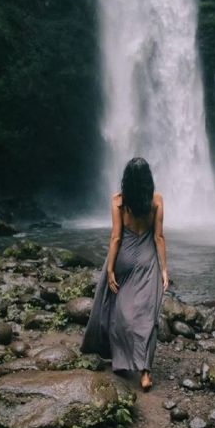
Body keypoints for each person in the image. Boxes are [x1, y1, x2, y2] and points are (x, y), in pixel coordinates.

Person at [80, 157, 169, 391]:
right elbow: (159, 237)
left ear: (126, 180)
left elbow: (116, 237)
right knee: (147, 315)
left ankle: (120, 361)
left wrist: (110, 269)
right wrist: (164, 269)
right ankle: (145, 373)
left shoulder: (118, 201)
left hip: (124, 259)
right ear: (148, 179)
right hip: (148, 259)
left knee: (119, 311)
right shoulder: (157, 201)